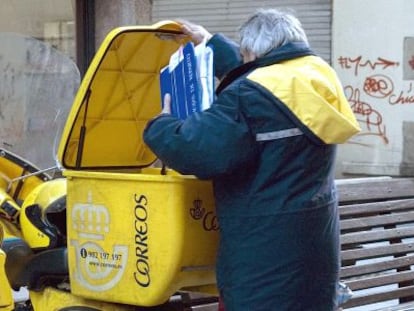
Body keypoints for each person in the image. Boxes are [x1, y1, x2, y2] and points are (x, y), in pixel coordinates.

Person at [144, 8, 360, 311]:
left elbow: (196, 151)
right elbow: (262, 79)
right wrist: (210, 43)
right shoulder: (314, 76)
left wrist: (160, 125)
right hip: (313, 247)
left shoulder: (249, 97)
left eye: (245, 53)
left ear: (253, 51)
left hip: (264, 254)